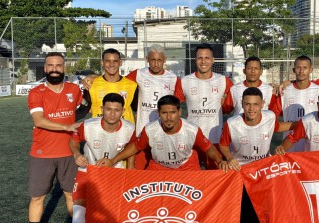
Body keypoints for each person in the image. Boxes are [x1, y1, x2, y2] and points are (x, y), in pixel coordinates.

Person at [14, 52, 83, 223]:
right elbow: (39, 121)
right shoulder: (36, 92)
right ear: (45, 68)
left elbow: (81, 109)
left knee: (72, 195)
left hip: (69, 151)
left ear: (65, 68)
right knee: (37, 197)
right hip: (42, 152)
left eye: (59, 65)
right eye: (50, 65)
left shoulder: (74, 89)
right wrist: (68, 126)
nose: (55, 69)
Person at [69, 93, 136, 223]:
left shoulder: (130, 128)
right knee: (78, 210)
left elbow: (132, 150)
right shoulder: (88, 126)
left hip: (116, 173)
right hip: (89, 170)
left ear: (123, 111)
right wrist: (77, 154)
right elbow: (74, 141)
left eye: (116, 110)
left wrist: (130, 172)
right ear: (101, 110)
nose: (112, 114)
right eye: (108, 109)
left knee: (117, 214)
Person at [97, 95, 229, 172]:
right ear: (158, 113)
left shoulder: (192, 129)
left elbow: (209, 148)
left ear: (179, 112)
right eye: (164, 113)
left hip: (186, 166)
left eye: (172, 112)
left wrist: (220, 160)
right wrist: (113, 160)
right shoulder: (150, 129)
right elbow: (135, 147)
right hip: (159, 167)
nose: (168, 117)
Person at [178, 43, 234, 169]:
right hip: (192, 141)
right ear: (195, 60)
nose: (203, 62)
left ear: (213, 60)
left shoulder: (223, 81)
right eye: (200, 58)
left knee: (215, 180)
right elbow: (173, 106)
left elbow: (230, 106)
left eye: (207, 58)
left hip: (215, 140)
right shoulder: (185, 81)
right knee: (193, 180)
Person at [219, 87, 296, 169]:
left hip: (264, 167)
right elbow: (223, 144)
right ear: (242, 104)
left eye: (256, 104)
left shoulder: (270, 117)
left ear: (262, 104)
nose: (251, 109)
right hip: (240, 168)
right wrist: (229, 157)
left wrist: (303, 124)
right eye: (248, 104)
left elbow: (277, 127)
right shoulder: (232, 123)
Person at [272, 55, 319, 151]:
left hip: (312, 143)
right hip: (289, 144)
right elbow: (273, 116)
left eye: (305, 68)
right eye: (298, 67)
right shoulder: (285, 90)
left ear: (310, 70)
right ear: (293, 70)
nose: (301, 71)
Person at [76, 48, 138, 124]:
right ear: (102, 62)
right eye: (107, 61)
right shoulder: (91, 84)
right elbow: (85, 107)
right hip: (99, 130)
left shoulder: (132, 85)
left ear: (120, 63)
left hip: (124, 131)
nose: (111, 64)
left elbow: (138, 109)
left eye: (115, 61)